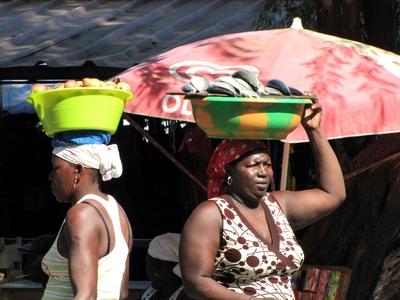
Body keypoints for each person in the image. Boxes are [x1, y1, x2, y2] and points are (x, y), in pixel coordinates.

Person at [179, 99, 346, 300]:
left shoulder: (279, 205)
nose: (263, 173)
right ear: (229, 172)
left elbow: (333, 194)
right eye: (253, 165)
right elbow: (195, 281)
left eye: (267, 164)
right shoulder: (211, 214)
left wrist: (314, 130)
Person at [41, 131, 133, 300]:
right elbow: (122, 293)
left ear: (78, 170)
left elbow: (86, 295)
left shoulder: (80, 215)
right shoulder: (116, 209)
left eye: (56, 169)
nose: (51, 176)